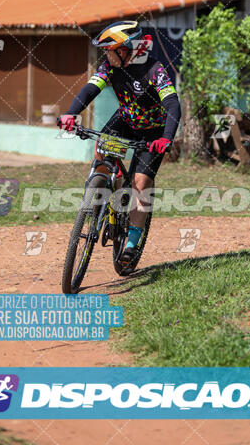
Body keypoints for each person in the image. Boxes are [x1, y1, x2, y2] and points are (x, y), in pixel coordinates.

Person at [59, 20, 181, 269]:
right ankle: (98, 194)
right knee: (101, 149)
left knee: (140, 184)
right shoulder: (109, 67)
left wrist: (165, 138)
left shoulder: (154, 69)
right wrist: (71, 113)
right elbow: (90, 89)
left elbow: (173, 105)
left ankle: (131, 243)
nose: (106, 54)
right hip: (125, 120)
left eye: (109, 49)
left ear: (125, 49)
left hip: (153, 132)